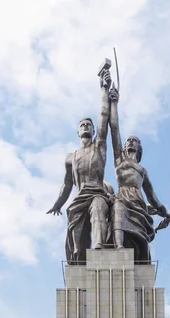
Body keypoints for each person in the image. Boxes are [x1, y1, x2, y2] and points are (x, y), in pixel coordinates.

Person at [47, 68, 112, 264]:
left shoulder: (99, 146)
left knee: (99, 208)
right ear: (77, 131)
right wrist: (58, 204)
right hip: (79, 199)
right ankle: (81, 265)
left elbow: (103, 115)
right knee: (77, 242)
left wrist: (104, 90)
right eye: (82, 124)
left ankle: (99, 251)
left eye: (88, 125)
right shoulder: (71, 157)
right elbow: (67, 185)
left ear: (93, 130)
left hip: (97, 194)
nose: (85, 126)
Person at [108, 85, 170, 263]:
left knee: (142, 247)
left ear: (139, 147)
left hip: (138, 204)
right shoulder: (119, 160)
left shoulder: (142, 171)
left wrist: (165, 213)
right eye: (129, 140)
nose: (129, 141)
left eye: (134, 140)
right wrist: (114, 103)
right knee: (117, 209)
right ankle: (119, 248)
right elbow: (114, 128)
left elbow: (153, 197)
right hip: (122, 197)